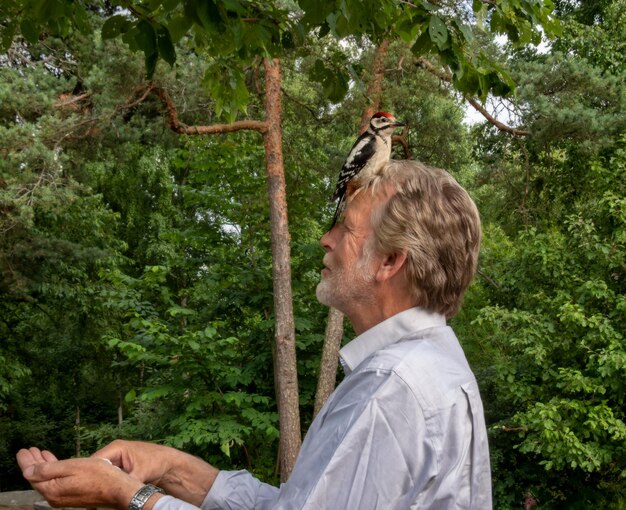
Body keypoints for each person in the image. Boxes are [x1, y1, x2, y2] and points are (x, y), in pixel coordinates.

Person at [17, 159, 492, 509]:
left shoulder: (389, 391)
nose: (325, 239)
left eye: (345, 229)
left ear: (390, 262)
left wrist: (130, 496)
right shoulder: (433, 363)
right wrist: (167, 466)